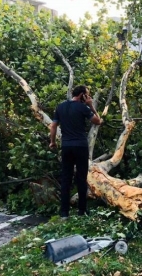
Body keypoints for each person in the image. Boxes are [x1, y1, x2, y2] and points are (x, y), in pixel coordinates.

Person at [49, 85, 102, 218]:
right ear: (82, 95)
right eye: (87, 95)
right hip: (80, 146)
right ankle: (81, 211)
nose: (88, 97)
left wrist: (52, 141)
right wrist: (91, 106)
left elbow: (53, 125)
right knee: (81, 178)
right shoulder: (83, 107)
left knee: (66, 179)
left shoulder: (60, 107)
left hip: (66, 146)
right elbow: (98, 121)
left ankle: (64, 213)